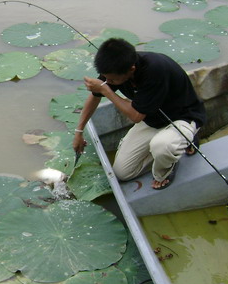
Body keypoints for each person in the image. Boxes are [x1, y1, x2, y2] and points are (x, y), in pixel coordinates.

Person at [73, 38, 206, 190]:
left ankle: (166, 168)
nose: (107, 81)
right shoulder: (115, 67)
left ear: (131, 69)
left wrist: (105, 89)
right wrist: (79, 131)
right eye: (105, 78)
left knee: (162, 146)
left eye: (112, 80)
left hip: (183, 117)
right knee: (122, 172)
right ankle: (172, 146)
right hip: (153, 120)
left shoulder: (155, 69)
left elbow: (136, 117)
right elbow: (95, 95)